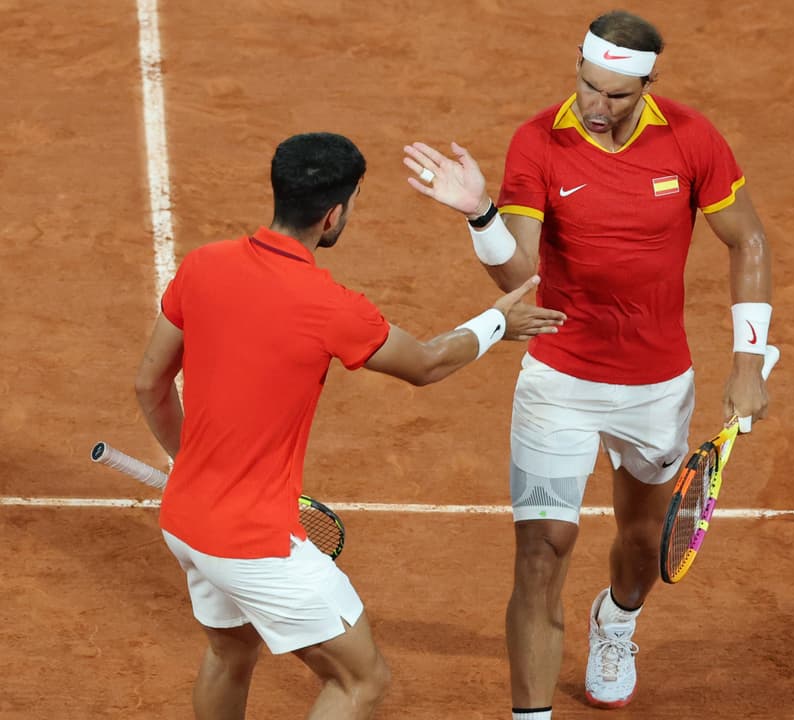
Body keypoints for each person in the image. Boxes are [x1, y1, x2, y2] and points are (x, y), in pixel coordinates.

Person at [402, 9, 774, 717]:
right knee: (542, 549)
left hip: (656, 387)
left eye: (616, 96)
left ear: (648, 86)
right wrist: (480, 213)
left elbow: (748, 240)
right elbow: (517, 274)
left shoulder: (692, 140)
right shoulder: (540, 142)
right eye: (587, 85)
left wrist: (749, 362)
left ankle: (618, 622)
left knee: (641, 545)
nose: (595, 106)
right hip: (560, 381)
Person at [134, 131, 566, 720]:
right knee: (362, 680)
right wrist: (497, 321)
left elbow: (149, 385)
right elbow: (428, 363)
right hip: (253, 543)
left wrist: (197, 468)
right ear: (334, 213)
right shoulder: (331, 305)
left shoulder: (203, 265)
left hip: (185, 521)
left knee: (230, 650)